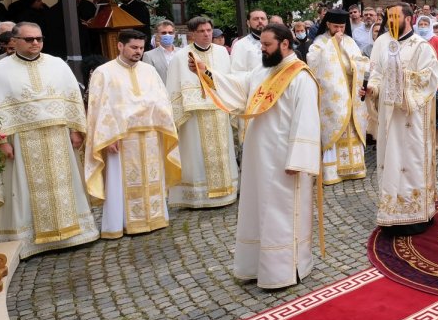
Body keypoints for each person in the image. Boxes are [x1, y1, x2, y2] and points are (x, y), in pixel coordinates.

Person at [191, 23, 322, 289]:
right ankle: (254, 266)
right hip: (257, 158)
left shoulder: (300, 77)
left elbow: (307, 120)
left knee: (281, 214)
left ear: (285, 44)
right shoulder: (262, 70)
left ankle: (285, 270)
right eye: (261, 44)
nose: (262, 49)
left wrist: (298, 159)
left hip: (284, 160)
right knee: (256, 211)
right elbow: (238, 88)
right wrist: (207, 74)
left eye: (266, 45)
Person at [0, 22, 98, 258]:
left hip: (58, 139)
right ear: (14, 41)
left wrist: (77, 130)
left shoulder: (57, 65)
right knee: (22, 189)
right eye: (29, 39)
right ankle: (26, 240)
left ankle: (72, 233)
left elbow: (73, 99)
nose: (35, 43)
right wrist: (0, 140)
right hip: (21, 142)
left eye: (39, 38)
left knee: (64, 184)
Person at [84, 29, 180, 238]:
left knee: (153, 177)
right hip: (121, 138)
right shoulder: (104, 72)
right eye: (133, 47)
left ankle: (154, 217)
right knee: (120, 183)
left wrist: (165, 126)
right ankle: (121, 224)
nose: (138, 52)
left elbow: (161, 99)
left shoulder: (149, 70)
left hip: (152, 134)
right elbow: (98, 108)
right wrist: (106, 137)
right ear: (120, 46)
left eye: (141, 48)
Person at [365, 2, 438, 235]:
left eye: (395, 16)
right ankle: (392, 214)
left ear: (408, 18)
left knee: (412, 162)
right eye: (388, 17)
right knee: (390, 161)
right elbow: (376, 73)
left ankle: (417, 215)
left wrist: (402, 77)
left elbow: (430, 78)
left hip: (412, 117)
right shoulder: (382, 43)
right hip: (389, 117)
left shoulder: (421, 47)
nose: (390, 21)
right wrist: (371, 89)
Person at [166, 16, 239, 209]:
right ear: (192, 34)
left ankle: (227, 191)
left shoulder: (223, 52)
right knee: (195, 153)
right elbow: (173, 88)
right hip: (193, 115)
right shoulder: (180, 57)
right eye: (201, 31)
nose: (206, 34)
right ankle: (199, 197)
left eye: (208, 30)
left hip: (219, 109)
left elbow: (228, 80)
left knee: (223, 150)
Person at [308, 10, 370, 184]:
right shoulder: (320, 43)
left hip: (352, 94)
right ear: (328, 24)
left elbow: (360, 61)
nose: (339, 30)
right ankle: (332, 172)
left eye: (342, 26)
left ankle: (355, 168)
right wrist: (333, 45)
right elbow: (313, 64)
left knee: (353, 129)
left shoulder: (350, 42)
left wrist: (357, 66)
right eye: (336, 26)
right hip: (333, 98)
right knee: (335, 129)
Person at [230, 10, 268, 75]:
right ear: (248, 23)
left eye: (263, 18)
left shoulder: (278, 41)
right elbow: (236, 72)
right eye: (255, 19)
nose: (260, 21)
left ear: (267, 22)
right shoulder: (240, 45)